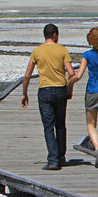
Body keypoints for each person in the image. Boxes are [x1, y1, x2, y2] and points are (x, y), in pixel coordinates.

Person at [21, 23, 75, 170]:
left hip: (44, 90)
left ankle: (53, 160)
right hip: (60, 90)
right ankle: (61, 156)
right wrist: (69, 88)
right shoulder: (62, 50)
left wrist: (24, 94)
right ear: (55, 35)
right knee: (61, 125)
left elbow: (27, 76)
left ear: (45, 35)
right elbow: (72, 73)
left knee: (48, 127)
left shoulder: (37, 51)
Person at [68, 27, 98, 170]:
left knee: (91, 125)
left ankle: (96, 148)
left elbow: (79, 75)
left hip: (92, 92)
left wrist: (69, 84)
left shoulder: (87, 55)